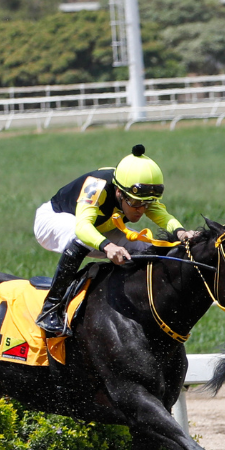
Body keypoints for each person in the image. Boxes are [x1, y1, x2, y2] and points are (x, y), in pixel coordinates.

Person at [33, 144, 194, 337]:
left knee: (147, 248)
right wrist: (107, 246)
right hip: (53, 221)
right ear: (119, 192)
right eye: (134, 203)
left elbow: (163, 216)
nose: (140, 210)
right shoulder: (96, 186)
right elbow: (83, 227)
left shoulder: (138, 194)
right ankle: (51, 308)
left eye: (147, 204)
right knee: (82, 239)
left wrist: (182, 233)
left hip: (101, 227)